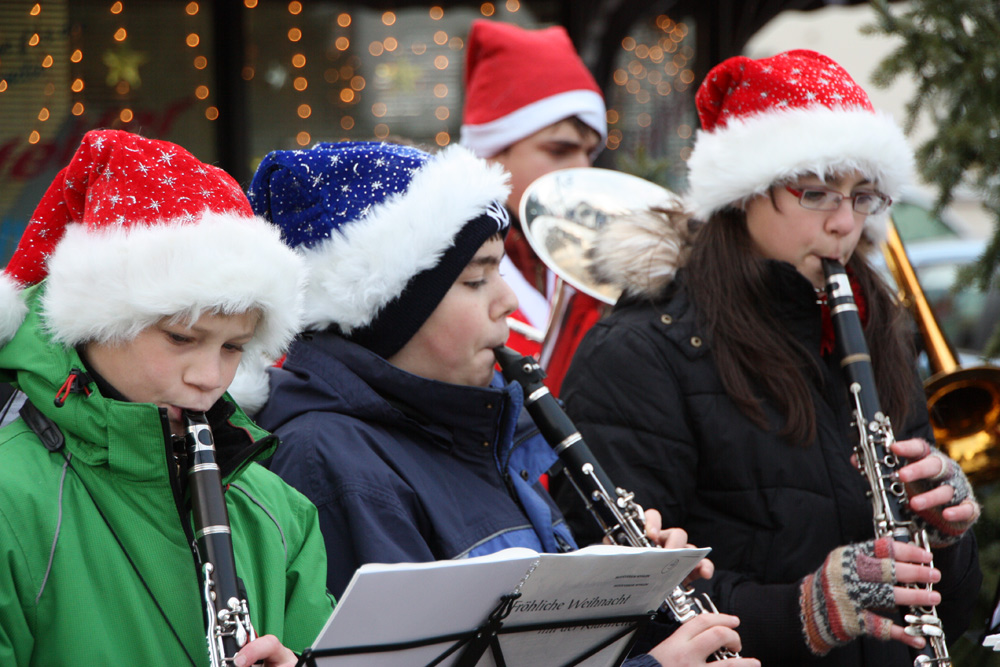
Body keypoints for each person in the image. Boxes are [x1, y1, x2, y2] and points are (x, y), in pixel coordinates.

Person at [247, 140, 761, 667]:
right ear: (386, 309)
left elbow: (536, 646)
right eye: (476, 279)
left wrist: (630, 595)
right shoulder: (330, 459)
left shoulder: (471, 427)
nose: (508, 301)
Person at [554, 49, 982, 666]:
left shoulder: (874, 329)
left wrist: (944, 540)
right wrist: (801, 612)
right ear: (743, 194)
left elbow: (949, 608)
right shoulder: (643, 352)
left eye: (863, 196)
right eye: (816, 193)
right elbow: (619, 601)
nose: (845, 224)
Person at [0, 129, 334, 666]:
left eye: (234, 347)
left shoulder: (276, 511)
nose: (208, 377)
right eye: (181, 338)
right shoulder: (12, 500)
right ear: (97, 323)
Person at [459, 19, 609, 393]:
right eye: (559, 150)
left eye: (590, 152)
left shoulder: (597, 258)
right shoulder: (442, 259)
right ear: (491, 154)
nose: (582, 169)